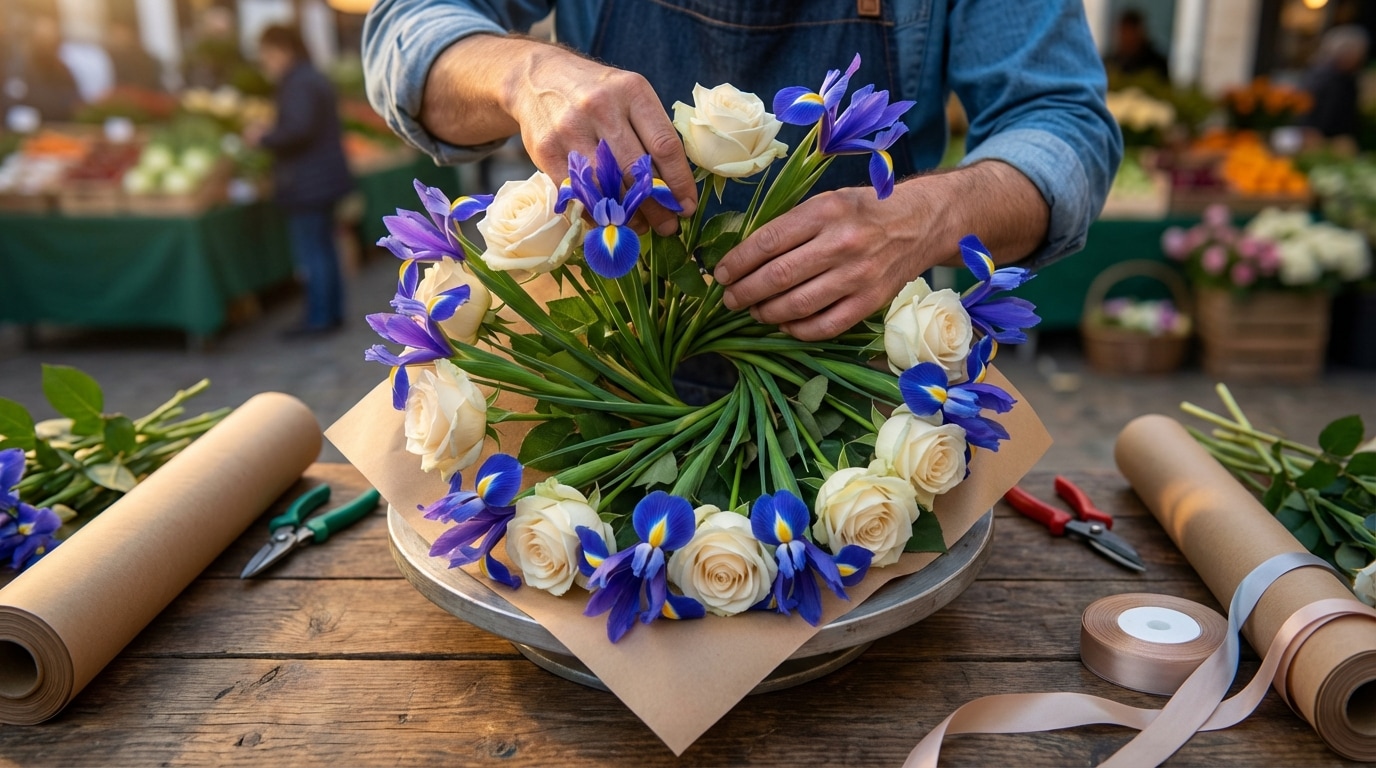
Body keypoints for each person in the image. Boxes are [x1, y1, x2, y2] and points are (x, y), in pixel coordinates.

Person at [361, 1, 1121, 342]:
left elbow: (1065, 124)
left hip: (856, 375)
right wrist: (523, 71)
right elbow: (406, 28)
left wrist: (931, 216)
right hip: (611, 363)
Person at [245, 25, 355, 337]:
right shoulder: (311, 76)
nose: (266, 62)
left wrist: (263, 136)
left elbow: (298, 129)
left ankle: (319, 317)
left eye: (267, 54)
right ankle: (329, 313)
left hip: (307, 181)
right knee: (323, 248)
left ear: (282, 49)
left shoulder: (298, 82)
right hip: (320, 178)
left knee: (313, 251)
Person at [1303, 25, 1369, 142]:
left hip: (1337, 141)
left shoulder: (1349, 79)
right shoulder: (1323, 77)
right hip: (1317, 138)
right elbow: (1307, 107)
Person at [1104, 9, 1170, 82]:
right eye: (1124, 34)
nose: (1127, 39)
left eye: (1131, 34)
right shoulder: (1111, 62)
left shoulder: (1156, 65)